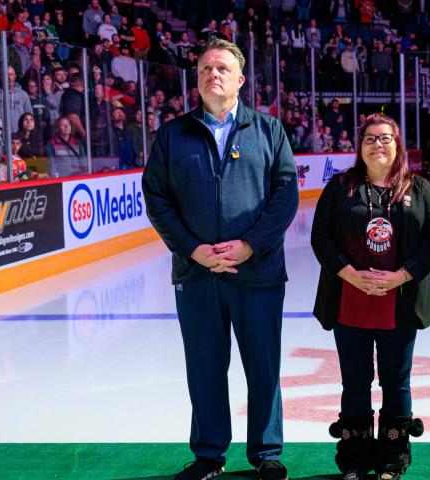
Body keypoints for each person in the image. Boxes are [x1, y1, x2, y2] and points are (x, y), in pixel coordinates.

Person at [141, 38, 297, 480]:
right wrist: (192, 249)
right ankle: (209, 454)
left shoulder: (269, 130)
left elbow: (285, 195)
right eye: (206, 67)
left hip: (258, 274)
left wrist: (250, 244)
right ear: (197, 79)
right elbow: (157, 197)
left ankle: (267, 453)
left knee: (263, 367)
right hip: (197, 274)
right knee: (206, 368)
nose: (214, 74)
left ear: (240, 79)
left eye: (223, 68)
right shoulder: (172, 135)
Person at [311, 113, 430, 480]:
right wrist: (350, 274)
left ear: (397, 144)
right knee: (354, 381)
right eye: (370, 138)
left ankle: (392, 456)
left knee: (395, 380)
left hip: (398, 301)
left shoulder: (417, 188)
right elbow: (320, 237)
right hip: (350, 299)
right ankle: (354, 456)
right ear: (360, 146)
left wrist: (400, 275)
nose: (378, 144)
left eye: (386, 138)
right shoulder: (340, 187)